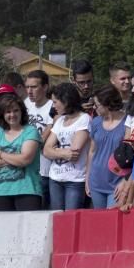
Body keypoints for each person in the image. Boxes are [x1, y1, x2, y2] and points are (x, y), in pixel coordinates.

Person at [0, 86, 42, 211]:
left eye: (16, 110)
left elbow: (25, 160)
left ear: (22, 112)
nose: (12, 115)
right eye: (8, 112)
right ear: (2, 114)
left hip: (27, 190)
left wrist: (1, 154)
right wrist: (16, 158)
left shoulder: (30, 131)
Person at [42, 82, 90, 210]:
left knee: (71, 218)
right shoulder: (60, 121)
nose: (53, 106)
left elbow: (74, 153)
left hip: (75, 180)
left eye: (55, 102)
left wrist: (55, 150)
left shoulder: (84, 119)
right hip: (55, 178)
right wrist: (63, 153)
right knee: (56, 218)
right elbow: (46, 150)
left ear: (66, 101)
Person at [86, 85, 127, 209]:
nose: (94, 107)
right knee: (99, 222)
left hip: (117, 182)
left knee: (112, 221)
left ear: (107, 104)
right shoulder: (96, 122)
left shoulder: (127, 122)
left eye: (97, 105)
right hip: (96, 181)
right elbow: (92, 151)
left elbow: (132, 155)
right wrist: (87, 178)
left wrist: (126, 180)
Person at [24, 69, 54, 209]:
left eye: (34, 87)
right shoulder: (26, 104)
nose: (29, 91)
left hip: (45, 168)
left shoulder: (52, 106)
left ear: (45, 87)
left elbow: (49, 130)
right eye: (27, 87)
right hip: (27, 168)